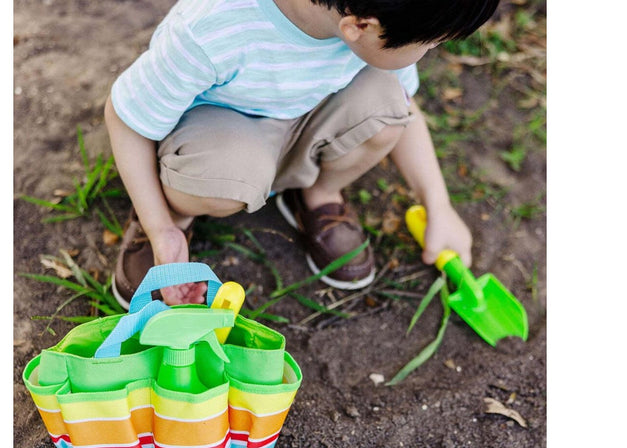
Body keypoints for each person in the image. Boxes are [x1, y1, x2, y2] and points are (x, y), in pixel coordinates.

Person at [105, 0, 498, 308]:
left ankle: (318, 194)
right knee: (226, 176)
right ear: (360, 26)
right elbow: (127, 118)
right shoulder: (214, 28)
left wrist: (438, 205)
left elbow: (405, 109)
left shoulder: (363, 18)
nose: (430, 51)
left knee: (389, 104)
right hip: (219, 135)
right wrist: (162, 229)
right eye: (430, 43)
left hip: (308, 116)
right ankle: (175, 214)